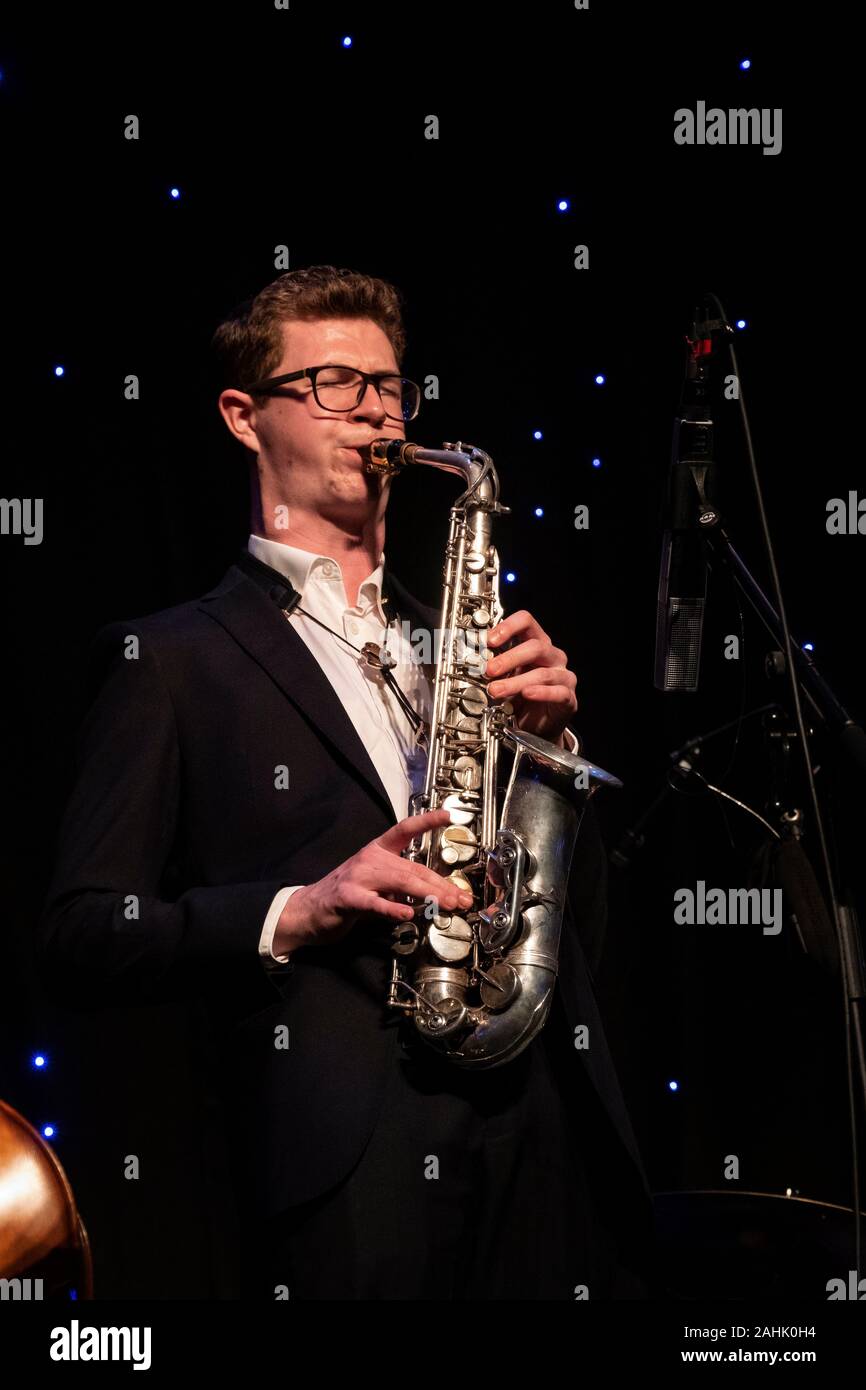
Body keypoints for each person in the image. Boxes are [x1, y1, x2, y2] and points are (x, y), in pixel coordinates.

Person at [36, 265, 654, 1300]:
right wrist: (296, 908)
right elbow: (82, 934)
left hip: (539, 1128)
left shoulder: (460, 645)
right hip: (352, 1165)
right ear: (244, 416)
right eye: (333, 383)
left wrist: (543, 742)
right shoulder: (168, 659)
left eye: (389, 386)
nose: (374, 410)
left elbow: (564, 916)